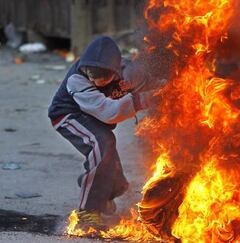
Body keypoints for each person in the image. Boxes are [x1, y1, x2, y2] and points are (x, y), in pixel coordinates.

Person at [48, 36, 159, 229]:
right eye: (91, 74)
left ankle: (97, 188)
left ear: (115, 71)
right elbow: (108, 113)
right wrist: (142, 100)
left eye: (102, 76)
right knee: (102, 143)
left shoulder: (126, 72)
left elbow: (147, 81)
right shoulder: (77, 79)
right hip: (68, 116)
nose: (96, 80)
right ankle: (88, 212)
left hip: (95, 117)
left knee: (117, 179)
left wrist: (166, 88)